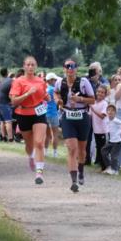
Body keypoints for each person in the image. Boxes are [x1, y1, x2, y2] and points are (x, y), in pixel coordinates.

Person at [57, 59, 96, 192]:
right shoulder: (60, 82)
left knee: (81, 149)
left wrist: (79, 99)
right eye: (68, 66)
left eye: (73, 66)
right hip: (67, 116)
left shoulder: (84, 82)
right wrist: (58, 100)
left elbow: (93, 99)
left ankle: (81, 171)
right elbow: (56, 93)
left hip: (82, 116)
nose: (70, 69)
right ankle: (73, 181)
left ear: (76, 69)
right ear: (64, 69)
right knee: (72, 148)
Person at [9, 56, 49, 185]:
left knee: (39, 143)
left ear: (36, 66)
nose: (30, 67)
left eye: (33, 65)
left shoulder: (41, 81)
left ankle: (39, 173)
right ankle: (31, 156)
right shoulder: (18, 81)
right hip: (23, 113)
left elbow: (44, 95)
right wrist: (27, 94)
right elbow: (14, 101)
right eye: (28, 65)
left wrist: (50, 97)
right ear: (24, 66)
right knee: (29, 143)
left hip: (39, 112)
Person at [101, 104, 121, 175]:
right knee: (103, 151)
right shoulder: (107, 120)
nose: (110, 112)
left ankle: (115, 170)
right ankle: (109, 166)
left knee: (114, 156)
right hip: (111, 141)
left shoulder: (116, 120)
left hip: (117, 141)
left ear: (115, 112)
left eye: (112, 110)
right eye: (108, 110)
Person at [89, 86, 110, 172]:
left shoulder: (104, 103)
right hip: (96, 130)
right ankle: (102, 166)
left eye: (102, 92)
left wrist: (93, 110)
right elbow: (90, 115)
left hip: (103, 130)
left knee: (103, 149)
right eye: (98, 92)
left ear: (105, 94)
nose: (100, 94)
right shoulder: (94, 103)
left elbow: (102, 116)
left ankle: (106, 166)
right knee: (99, 147)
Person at [0, 68, 15, 142]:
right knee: (8, 121)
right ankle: (10, 139)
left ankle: (3, 137)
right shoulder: (12, 82)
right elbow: (12, 94)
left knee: (2, 121)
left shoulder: (3, 80)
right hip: (2, 102)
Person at [44, 72, 61, 158]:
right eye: (54, 80)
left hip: (45, 113)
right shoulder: (53, 90)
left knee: (47, 134)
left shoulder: (45, 89)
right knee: (55, 134)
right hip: (53, 113)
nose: (56, 81)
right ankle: (55, 153)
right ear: (50, 80)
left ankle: (45, 152)